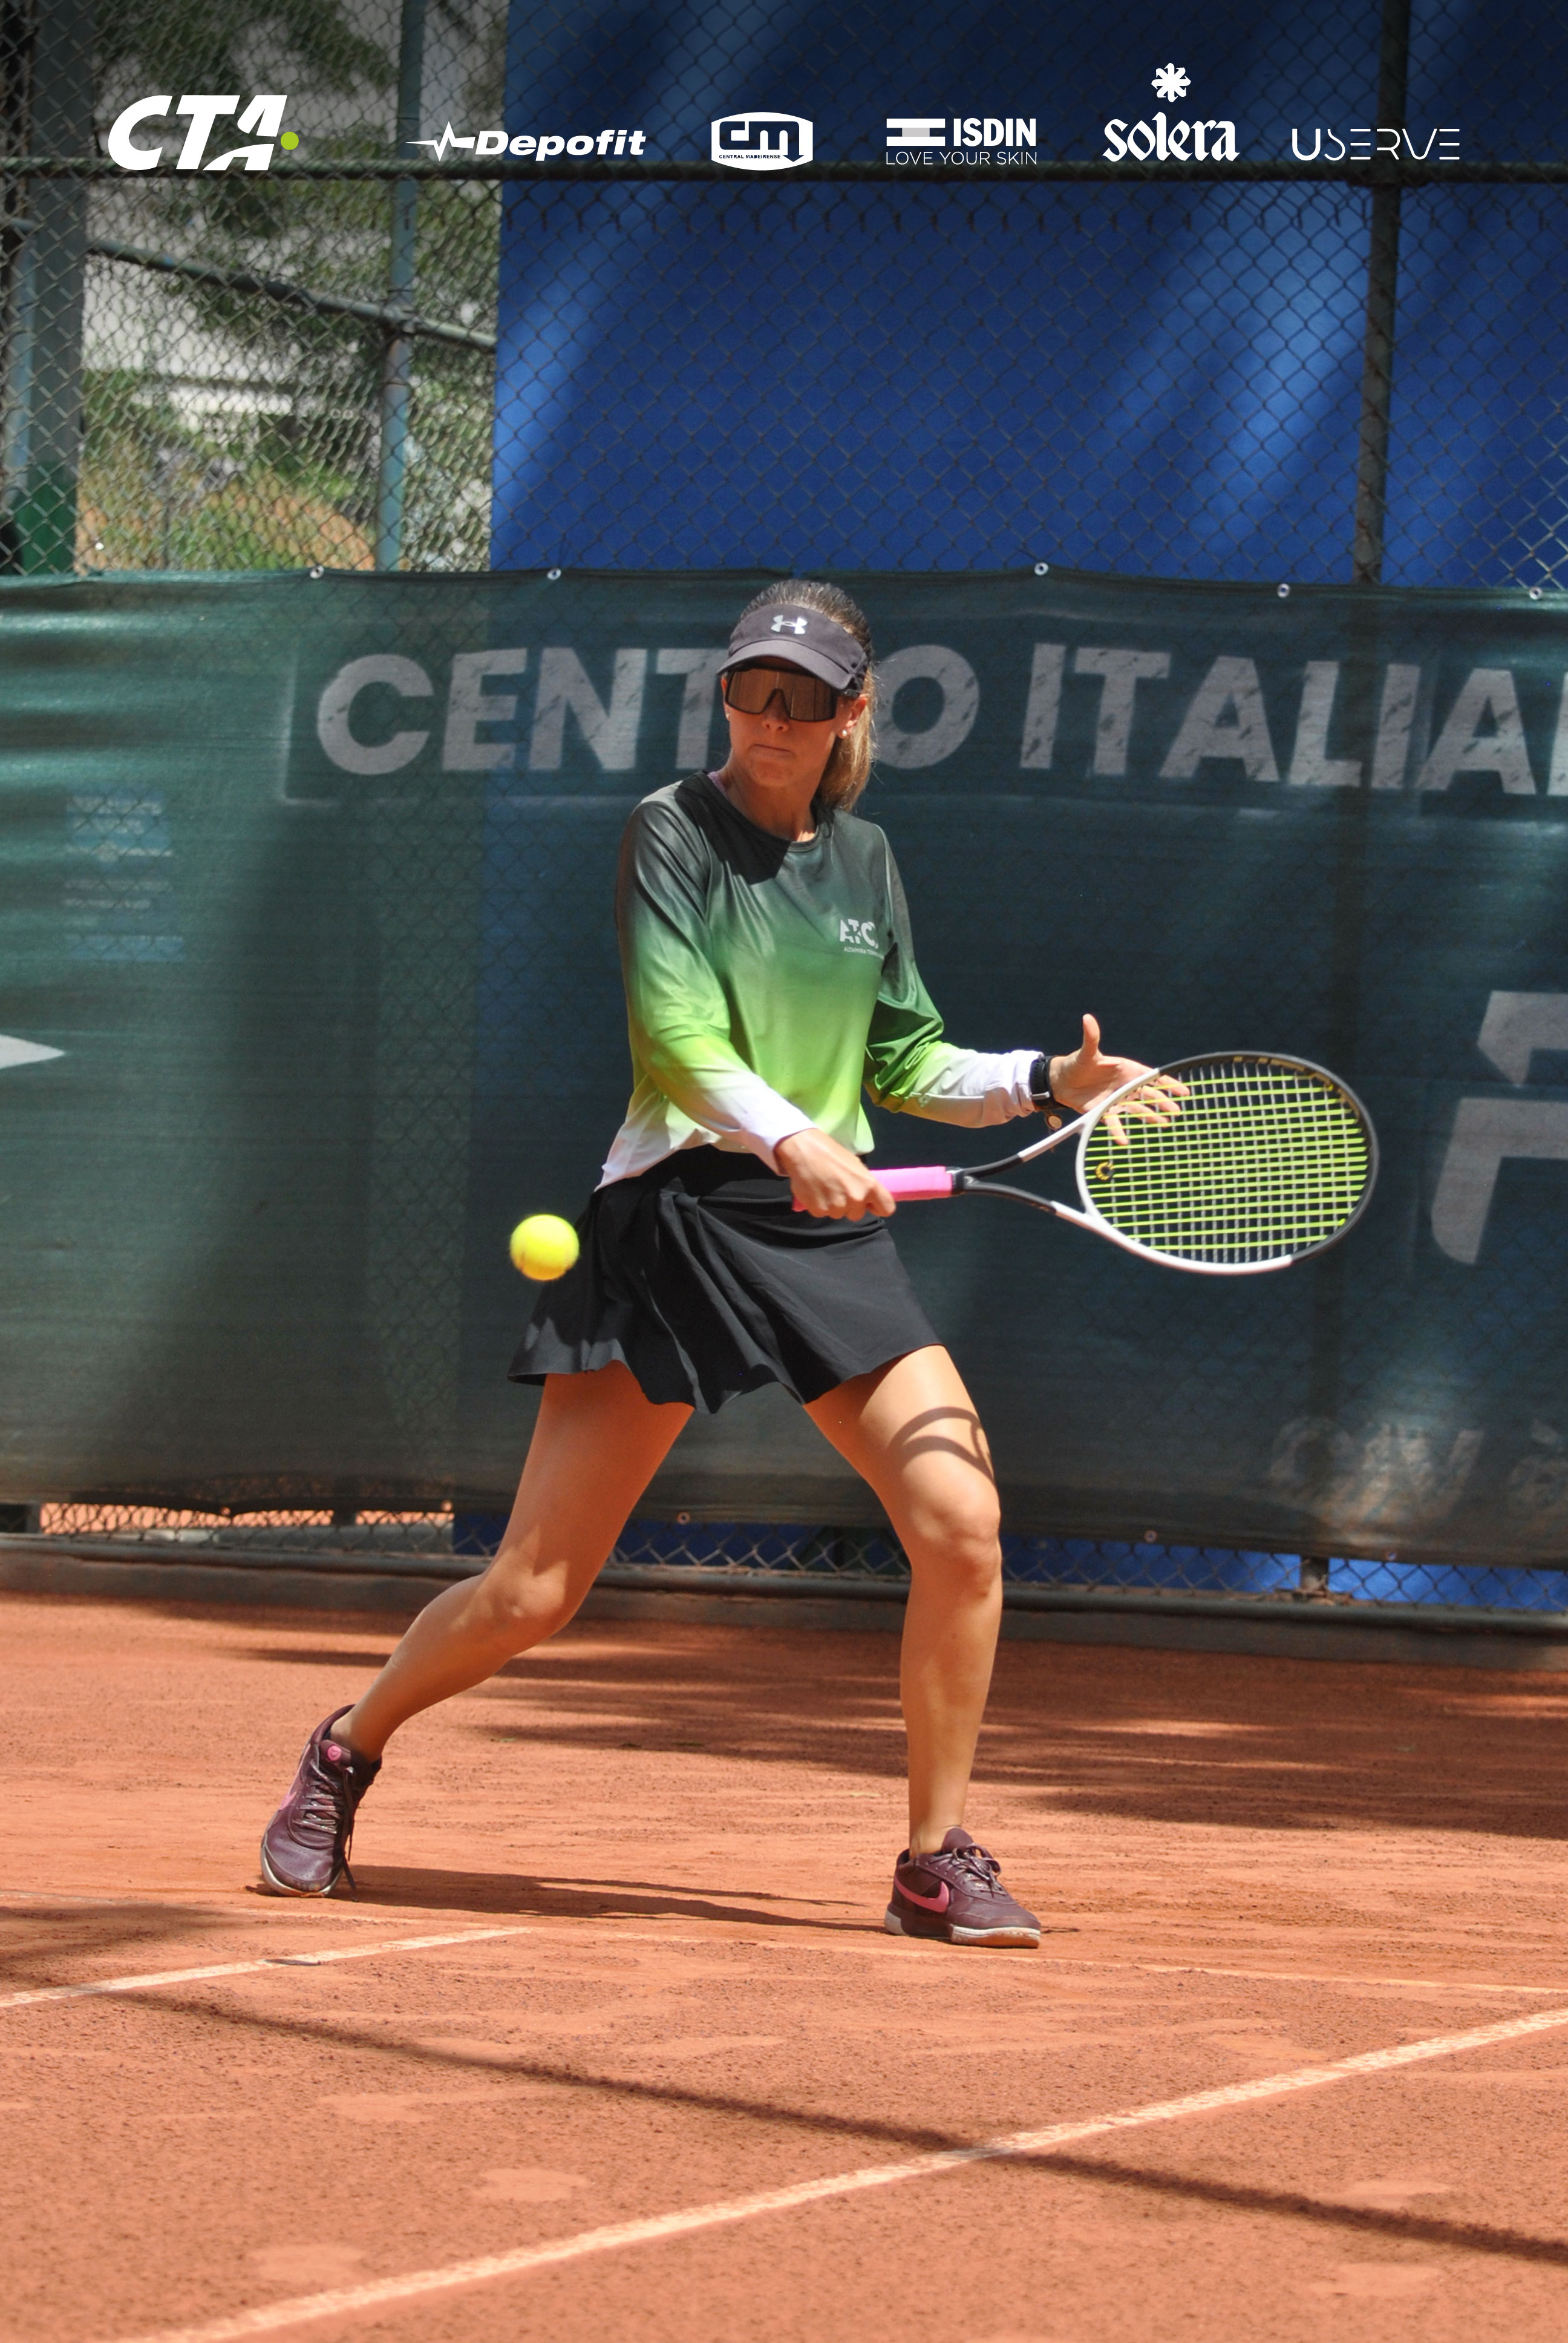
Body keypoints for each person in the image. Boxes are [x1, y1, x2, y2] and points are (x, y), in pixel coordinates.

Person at [260, 578, 1174, 1946]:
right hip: (677, 1213)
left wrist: (1050, 1079)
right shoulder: (668, 831)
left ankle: (934, 1857)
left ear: (852, 713)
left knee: (963, 1524)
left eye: (802, 697)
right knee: (535, 1590)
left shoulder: (866, 865)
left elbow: (909, 1057)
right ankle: (347, 1746)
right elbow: (680, 1044)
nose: (769, 718)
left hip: (820, 1231)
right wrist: (793, 1132)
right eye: (751, 689)